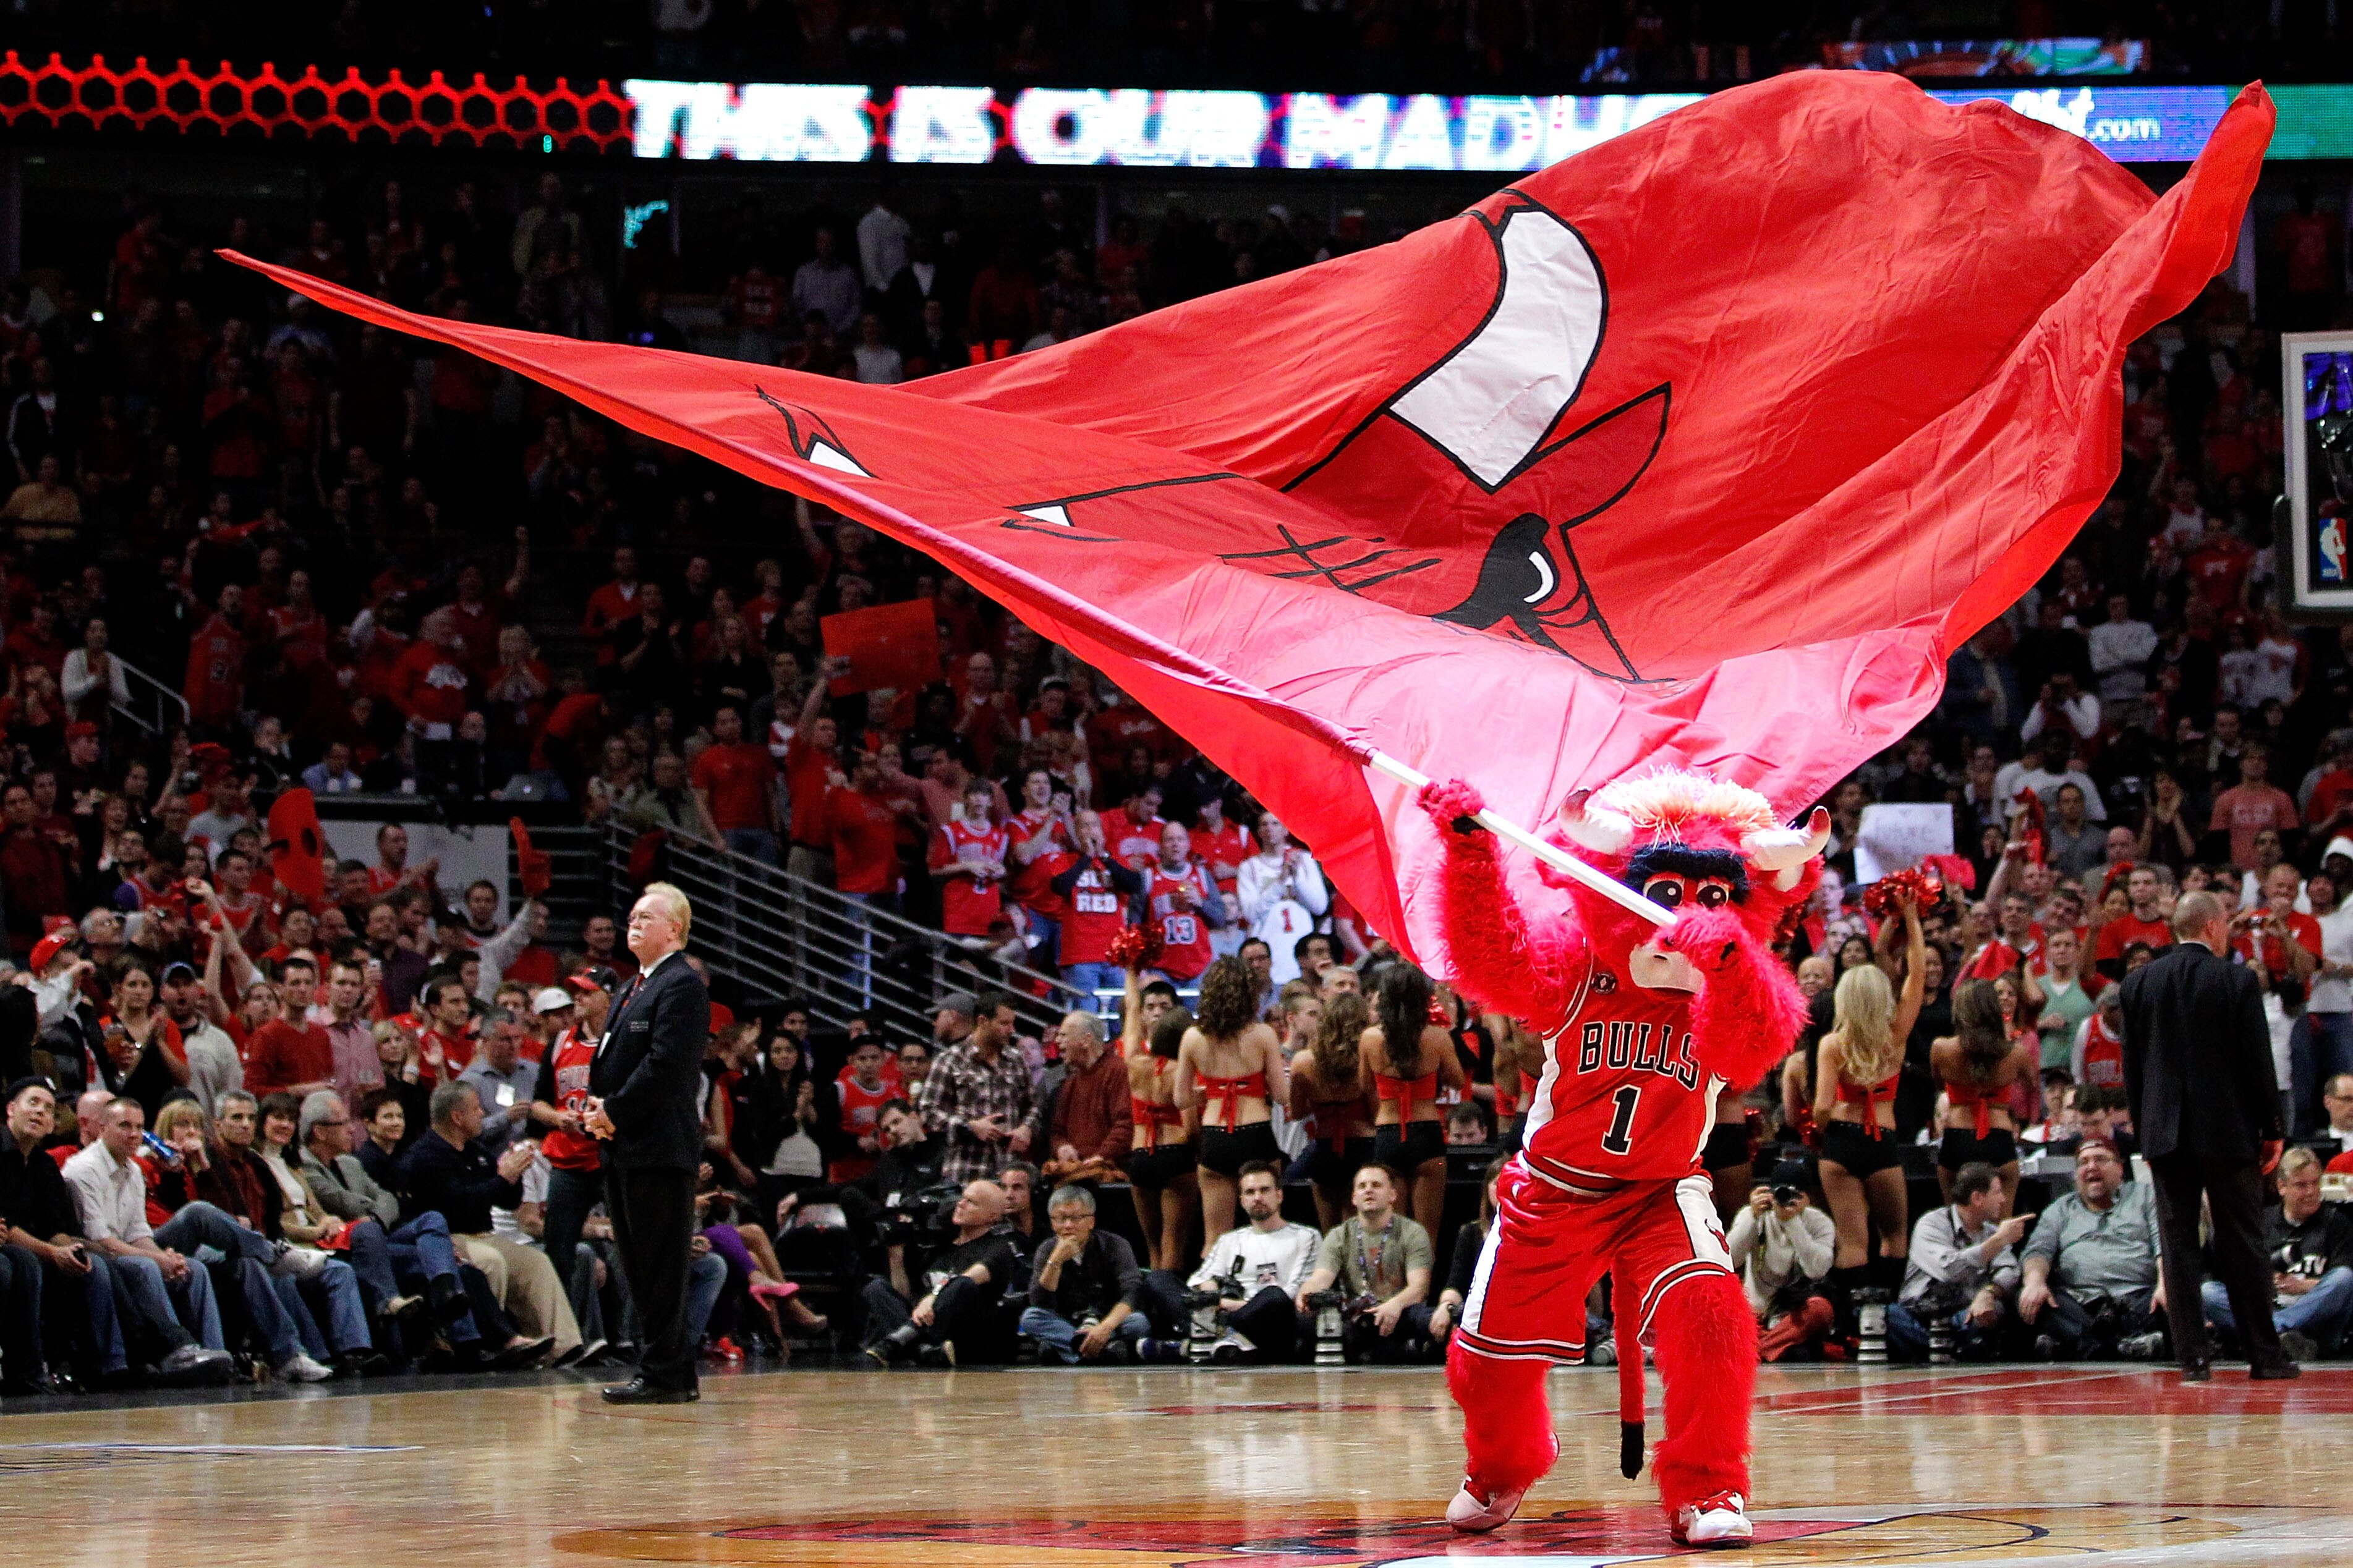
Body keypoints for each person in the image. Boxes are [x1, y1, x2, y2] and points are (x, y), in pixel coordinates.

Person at [2118, 889, 2297, 1381]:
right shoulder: (2235, 980)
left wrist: (2145, 1133)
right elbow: (2258, 1064)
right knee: (2243, 1240)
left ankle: (2193, 1360)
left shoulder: (2137, 984)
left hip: (2164, 1135)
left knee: (2178, 1247)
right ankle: (2265, 1355)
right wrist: (2273, 1128)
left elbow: (2131, 1071)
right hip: (2226, 1131)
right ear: (2214, 927)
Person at [583, 882, 711, 1403]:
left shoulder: (681, 985)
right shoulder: (634, 985)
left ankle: (662, 1372)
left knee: (658, 1264)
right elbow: (612, 1056)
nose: (633, 923)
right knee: (637, 1262)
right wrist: (598, 1108)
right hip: (626, 1144)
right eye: (632, 916)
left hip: (658, 1147)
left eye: (645, 917)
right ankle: (672, 1371)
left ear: (674, 929)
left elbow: (665, 1066)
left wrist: (612, 1110)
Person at [400, 1083, 577, 1368]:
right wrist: (502, 1179)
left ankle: (563, 1346)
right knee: (491, 1262)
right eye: (475, 1109)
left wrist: (515, 1174)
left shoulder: (476, 1151)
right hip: (448, 1239)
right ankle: (488, 1346)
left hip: (484, 1234)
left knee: (536, 1262)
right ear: (457, 1117)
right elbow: (458, 1205)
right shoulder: (426, 1156)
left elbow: (506, 1201)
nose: (482, 1113)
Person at [1815, 891, 1927, 1302]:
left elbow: (1823, 1106)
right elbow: (1916, 978)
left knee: (1851, 1239)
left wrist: (1823, 1131)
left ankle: (1853, 1324)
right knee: (1895, 1235)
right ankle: (1887, 1316)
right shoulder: (1893, 1038)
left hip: (1841, 1140)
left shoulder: (1832, 1044)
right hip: (1882, 1138)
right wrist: (1912, 919)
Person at [2017, 1140, 2168, 1360]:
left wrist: (2165, 1284)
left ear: (2120, 1168)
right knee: (2032, 1297)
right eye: (2083, 1162)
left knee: (2175, 1295)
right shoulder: (2061, 1208)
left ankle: (2083, 1346)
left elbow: (2164, 1245)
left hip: (2138, 1298)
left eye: (2100, 1159)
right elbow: (2038, 1251)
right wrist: (2035, 1282)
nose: (2091, 1167)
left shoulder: (2145, 1196)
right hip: (2080, 1304)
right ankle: (2121, 1347)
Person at [1175, 956, 1288, 1245]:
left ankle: (1211, 1290)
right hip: (1256, 1134)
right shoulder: (1263, 1035)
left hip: (1215, 1136)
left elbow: (1180, 1099)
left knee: (1215, 1239)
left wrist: (1213, 1091)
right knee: (1268, 1230)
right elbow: (1281, 1095)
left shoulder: (1192, 1037)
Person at [2200, 1146, 2353, 1358]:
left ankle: (2271, 1333)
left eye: (2315, 1183)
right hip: (2269, 1306)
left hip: (2316, 1318)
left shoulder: (2337, 1222)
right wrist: (2265, 1283)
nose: (2311, 1192)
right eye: (2301, 1185)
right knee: (2209, 1292)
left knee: (2345, 1279)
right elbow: (2234, 1276)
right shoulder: (2261, 1222)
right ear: (2282, 1187)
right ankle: (2279, 1339)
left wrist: (2303, 1286)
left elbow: (2343, 1283)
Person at [862, 1179, 1019, 1368]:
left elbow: (968, 1279)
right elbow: (905, 1295)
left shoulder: (999, 1247)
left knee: (963, 1284)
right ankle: (923, 1350)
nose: (961, 1204)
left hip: (963, 1333)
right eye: (963, 1198)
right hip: (929, 1326)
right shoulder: (940, 1244)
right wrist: (896, 1254)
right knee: (876, 1288)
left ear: (992, 1216)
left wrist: (933, 1297)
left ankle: (900, 1342)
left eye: (972, 1202)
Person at [1361, 962, 1463, 1240]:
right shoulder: (1437, 1037)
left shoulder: (1370, 1039)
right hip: (1427, 1135)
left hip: (1388, 1135)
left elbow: (1365, 1085)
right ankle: (1425, 1284)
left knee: (1392, 1234)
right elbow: (1458, 1081)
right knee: (1426, 1235)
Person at [1889, 1161, 2030, 1362]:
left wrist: (1988, 1292)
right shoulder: (1931, 1224)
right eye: (1997, 1193)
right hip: (1919, 1316)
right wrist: (1998, 1241)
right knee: (1886, 1316)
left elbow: (2009, 1271)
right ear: (1977, 1198)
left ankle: (1957, 1351)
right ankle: (1942, 1351)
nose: (2003, 1199)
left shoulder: (1990, 1232)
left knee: (1993, 1311)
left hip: (1964, 1315)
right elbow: (1949, 1271)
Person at [1294, 1163, 1434, 1364]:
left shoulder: (1412, 1232)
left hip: (1399, 1310)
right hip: (1356, 1314)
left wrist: (1395, 1304)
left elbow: (1419, 1288)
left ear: (1392, 1195)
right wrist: (1306, 1292)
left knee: (1425, 1317)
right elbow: (1321, 1278)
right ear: (1354, 1198)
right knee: (1305, 1320)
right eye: (1362, 1186)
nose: (1368, 1190)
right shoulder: (1339, 1235)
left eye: (1376, 1185)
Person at [1185, 1159, 1321, 1362]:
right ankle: (1228, 1337)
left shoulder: (1306, 1236)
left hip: (1278, 1322)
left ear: (1279, 1195)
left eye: (1264, 1190)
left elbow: (1293, 1294)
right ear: (1242, 1200)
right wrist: (1212, 1294)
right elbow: (1200, 1279)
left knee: (1274, 1294)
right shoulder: (1230, 1240)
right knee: (1160, 1280)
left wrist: (1236, 1306)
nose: (1258, 1198)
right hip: (1227, 1311)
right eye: (1250, 1192)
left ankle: (1216, 1336)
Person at [1931, 979, 2037, 1211]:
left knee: (1956, 1221)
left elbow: (1939, 1083)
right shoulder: (2016, 1053)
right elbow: (2032, 1086)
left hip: (1957, 1138)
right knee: (2002, 1224)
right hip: (1999, 1137)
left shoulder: (1941, 1049)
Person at [1021, 1183, 1153, 1363]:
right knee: (1031, 1318)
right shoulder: (1047, 1249)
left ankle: (1072, 1354)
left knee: (1138, 1322)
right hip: (1067, 1323)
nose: (1068, 1225)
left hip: (1108, 1320)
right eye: (1060, 1219)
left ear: (1091, 1221)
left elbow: (1133, 1292)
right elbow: (1039, 1301)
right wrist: (1056, 1261)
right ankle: (1101, 1354)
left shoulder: (1115, 1245)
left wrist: (1105, 1328)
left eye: (1076, 1218)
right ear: (1052, 1223)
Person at [1121, 966, 1198, 1274]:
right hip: (1175, 1156)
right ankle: (1170, 1312)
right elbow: (1192, 1127)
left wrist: (1130, 972)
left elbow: (1130, 1013)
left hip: (1140, 1158)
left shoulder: (1133, 1062)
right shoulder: (1183, 1071)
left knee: (1152, 1249)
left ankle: (1153, 1308)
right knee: (1174, 1245)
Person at [1727, 1167, 1837, 1362]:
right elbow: (1730, 1260)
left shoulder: (1820, 1222)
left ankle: (1756, 1351)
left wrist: (1792, 1222)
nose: (1786, 1199)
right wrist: (1751, 1217)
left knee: (1821, 1311)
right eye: (1781, 1193)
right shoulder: (1752, 1214)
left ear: (1808, 1199)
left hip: (1794, 1315)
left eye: (1795, 1195)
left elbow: (1817, 1271)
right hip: (1755, 1314)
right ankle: (1775, 1348)